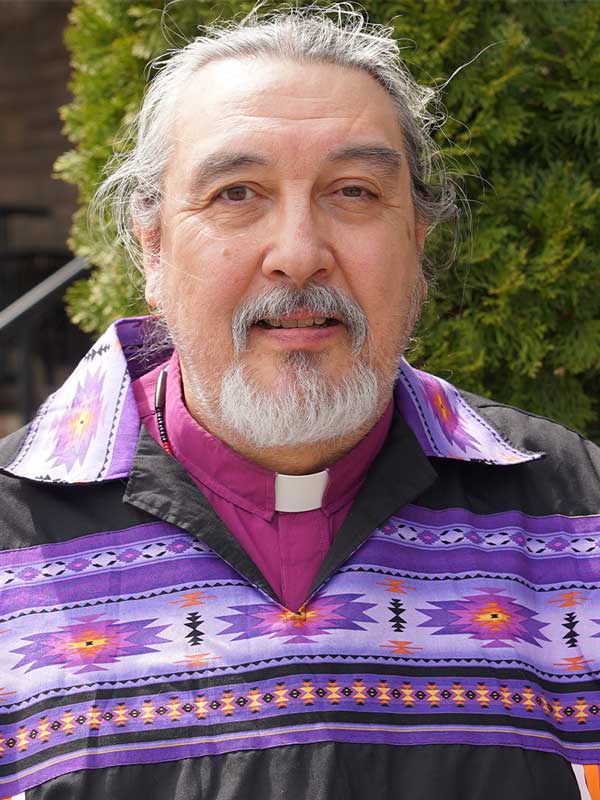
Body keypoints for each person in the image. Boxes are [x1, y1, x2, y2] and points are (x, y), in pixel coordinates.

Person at [0, 6, 598, 799]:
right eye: (236, 193)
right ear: (151, 243)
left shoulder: (576, 516)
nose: (298, 254)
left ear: (418, 235)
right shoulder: (12, 540)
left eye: (353, 192)